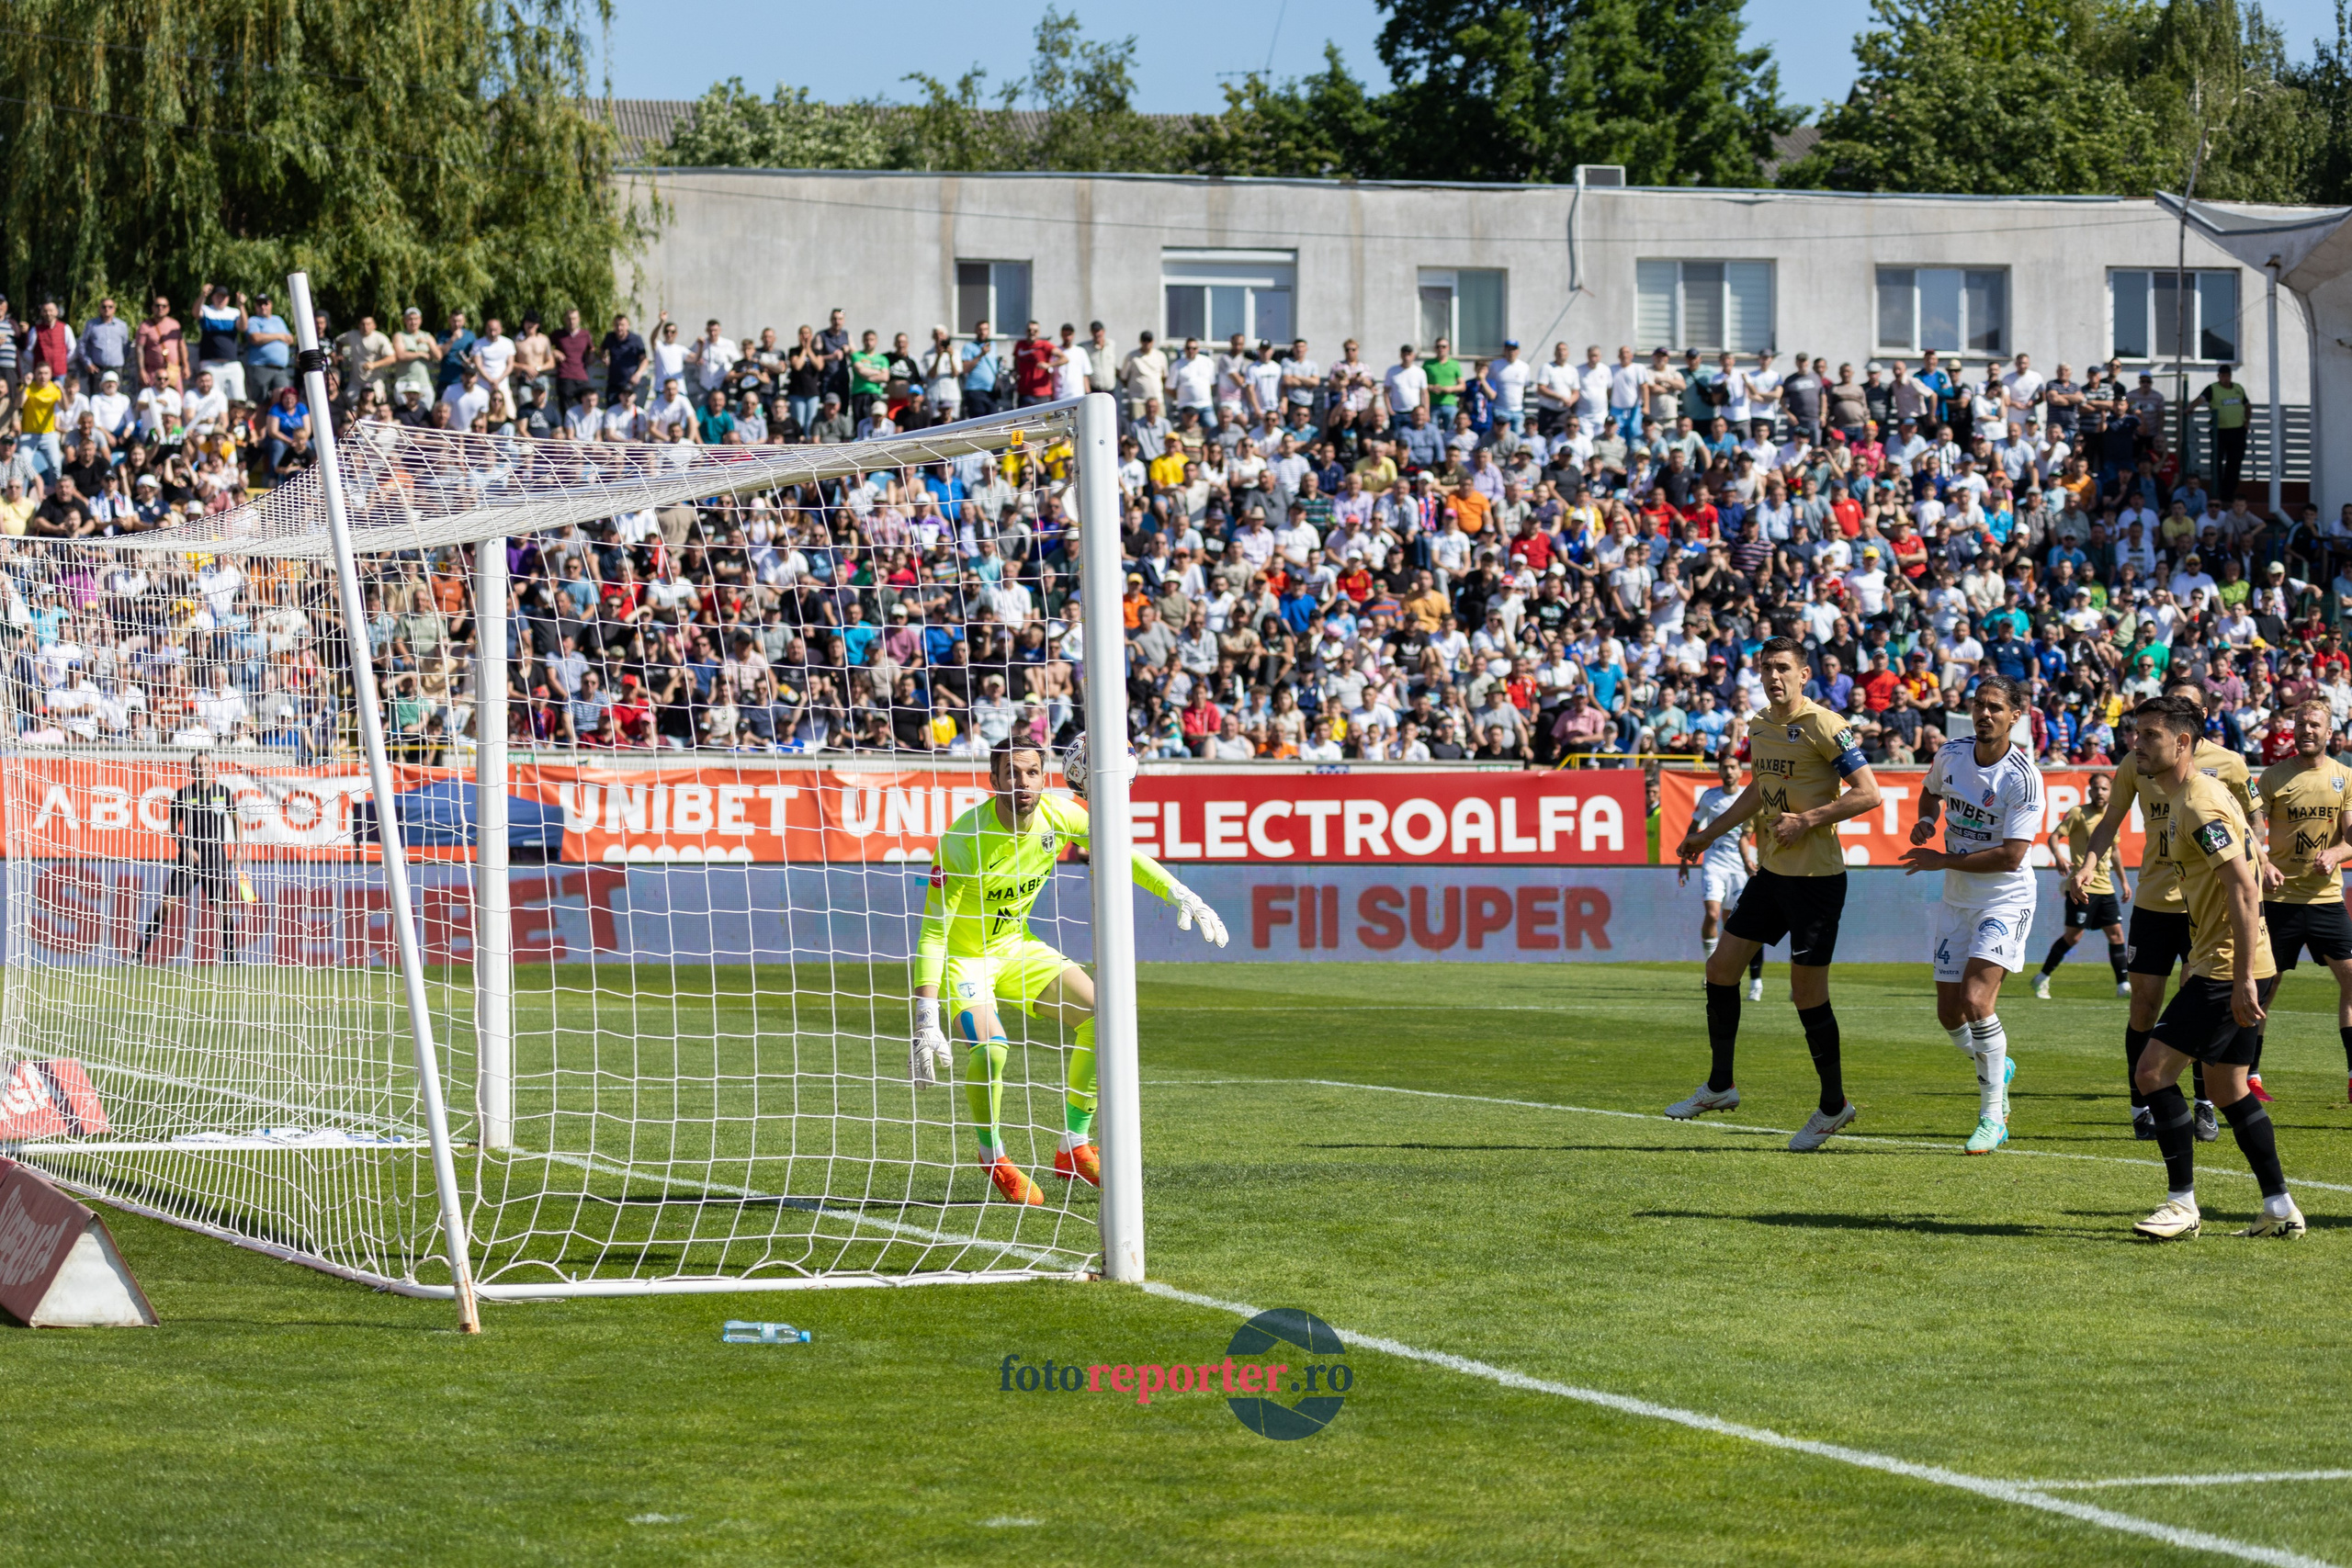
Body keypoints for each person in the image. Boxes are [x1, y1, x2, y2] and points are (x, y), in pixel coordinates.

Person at [909, 737, 1228, 1203]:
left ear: (1045, 777)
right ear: (993, 780)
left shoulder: (1061, 815)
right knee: (992, 1051)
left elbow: (1119, 853)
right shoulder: (962, 841)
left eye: (1032, 772)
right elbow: (934, 933)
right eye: (1012, 773)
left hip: (1017, 948)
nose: (1023, 783)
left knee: (1105, 1017)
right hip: (967, 958)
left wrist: (1179, 892)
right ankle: (993, 1155)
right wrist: (926, 1015)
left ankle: (1073, 1147)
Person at [1669, 637, 1883, 1150]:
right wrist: (1706, 834)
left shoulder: (1825, 725)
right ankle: (1720, 1085)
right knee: (1720, 970)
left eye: (1783, 668)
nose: (1774, 676)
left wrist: (1806, 820)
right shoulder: (1760, 724)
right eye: (1767, 668)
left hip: (1816, 882)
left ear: (1804, 674)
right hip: (1771, 874)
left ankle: (1833, 1106)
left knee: (1806, 994)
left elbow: (1869, 793)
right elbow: (1756, 789)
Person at [2122, 694, 2303, 1240]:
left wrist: (2243, 977)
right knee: (2228, 1089)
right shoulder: (2195, 795)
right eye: (2135, 733)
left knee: (2152, 1074)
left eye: (2150, 736)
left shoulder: (2199, 803)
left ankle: (2181, 1205)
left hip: (2227, 966)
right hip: (2233, 960)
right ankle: (2279, 1207)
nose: (2137, 744)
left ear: (2182, 742)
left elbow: (2244, 889)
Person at [2067, 675, 2264, 1142]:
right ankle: (2142, 1105)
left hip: (2205, 910)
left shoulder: (2228, 765)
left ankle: (2204, 1103)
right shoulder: (2138, 760)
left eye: (2184, 705)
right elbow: (2110, 821)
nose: (2144, 738)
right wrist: (2087, 864)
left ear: (2195, 722)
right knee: (2143, 1006)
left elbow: (2253, 821)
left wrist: (2261, 858)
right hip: (2154, 902)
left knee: (2196, 1006)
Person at [1900, 676, 2042, 1154]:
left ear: (2015, 716)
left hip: (2005, 898)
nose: (1985, 713)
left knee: (1977, 1001)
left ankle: (1992, 1116)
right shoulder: (1951, 754)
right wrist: (1927, 820)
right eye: (1979, 704)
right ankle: (1998, 1064)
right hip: (1958, 898)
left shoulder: (2022, 777)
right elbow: (1930, 792)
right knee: (1949, 1012)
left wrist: (1942, 860)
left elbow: (2012, 856)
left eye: (1995, 707)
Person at [2256, 698, 2352, 1104]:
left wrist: (2337, 853)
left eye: (2314, 725)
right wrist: (2263, 862)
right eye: (2301, 724)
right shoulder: (2273, 777)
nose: (2306, 730)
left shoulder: (2345, 777)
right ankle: (2249, 1076)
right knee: (2263, 987)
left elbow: (2350, 837)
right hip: (2279, 900)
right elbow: (2252, 830)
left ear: (2329, 732)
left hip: (2326, 899)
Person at [135, 751, 247, 964]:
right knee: (166, 905)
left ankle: (231, 955)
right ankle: (139, 954)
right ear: (192, 770)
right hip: (189, 859)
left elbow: (236, 819)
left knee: (225, 906)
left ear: (211, 768)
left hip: (215, 857)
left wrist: (239, 848)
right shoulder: (182, 795)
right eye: (198, 765)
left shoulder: (222, 793)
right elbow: (173, 828)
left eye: (205, 764)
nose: (202, 768)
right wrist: (185, 846)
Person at [2037, 772, 2132, 999]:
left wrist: (2124, 882)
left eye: (2104, 788)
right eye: (2096, 788)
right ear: (2089, 791)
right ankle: (2042, 977)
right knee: (2073, 936)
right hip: (2082, 887)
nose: (2100, 792)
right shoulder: (2078, 813)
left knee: (2117, 935)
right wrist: (2059, 856)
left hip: (2106, 887)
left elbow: (2115, 852)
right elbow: (2054, 836)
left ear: (2111, 792)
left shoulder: (2112, 816)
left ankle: (2123, 985)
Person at [1681, 750, 1765, 1001]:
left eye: (1732, 767)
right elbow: (1694, 826)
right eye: (1724, 767)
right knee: (1712, 913)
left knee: (1733, 925)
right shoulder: (1710, 797)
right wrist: (1684, 861)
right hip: (1715, 862)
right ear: (1719, 771)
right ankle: (1711, 968)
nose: (1728, 772)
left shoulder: (1749, 796)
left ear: (1740, 772)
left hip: (1740, 865)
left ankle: (1733, 972)